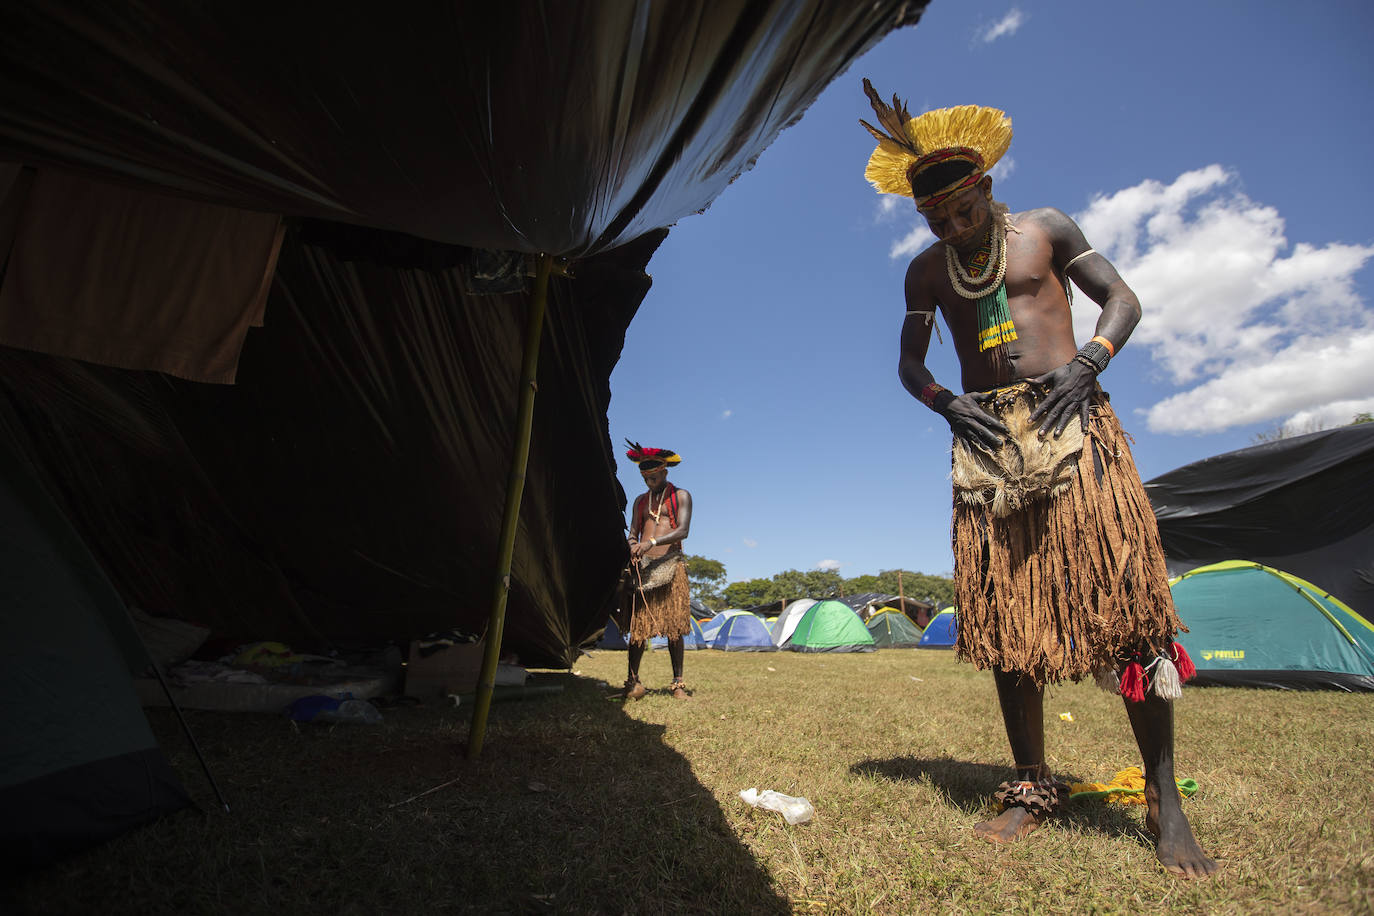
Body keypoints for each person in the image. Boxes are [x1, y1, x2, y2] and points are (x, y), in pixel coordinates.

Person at [859, 80, 1217, 879]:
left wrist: (1091, 362)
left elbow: (1121, 298)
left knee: (1127, 608)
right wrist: (948, 405)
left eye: (961, 210)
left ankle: (1165, 799)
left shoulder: (1047, 229)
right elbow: (909, 364)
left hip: (1073, 425)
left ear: (985, 187)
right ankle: (1030, 786)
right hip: (985, 446)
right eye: (936, 220)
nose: (952, 227)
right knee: (1006, 622)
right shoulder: (925, 272)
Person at [618, 440, 694, 699]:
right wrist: (632, 546)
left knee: (674, 626)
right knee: (638, 629)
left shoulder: (680, 496)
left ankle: (678, 684)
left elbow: (683, 530)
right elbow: (632, 533)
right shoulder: (640, 501)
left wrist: (650, 542)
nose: (649, 481)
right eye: (645, 477)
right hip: (645, 569)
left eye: (654, 476)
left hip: (671, 565)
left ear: (665, 472)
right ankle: (633, 681)